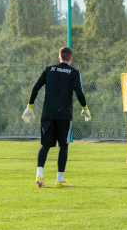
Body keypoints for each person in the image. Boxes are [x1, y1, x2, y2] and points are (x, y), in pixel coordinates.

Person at [21, 47, 91, 188]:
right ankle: (59, 180)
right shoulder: (74, 73)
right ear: (71, 58)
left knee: (45, 145)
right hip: (64, 115)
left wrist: (30, 106)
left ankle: (39, 175)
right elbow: (79, 92)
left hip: (48, 114)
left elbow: (36, 87)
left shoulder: (49, 69)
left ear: (59, 58)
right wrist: (85, 108)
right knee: (63, 146)